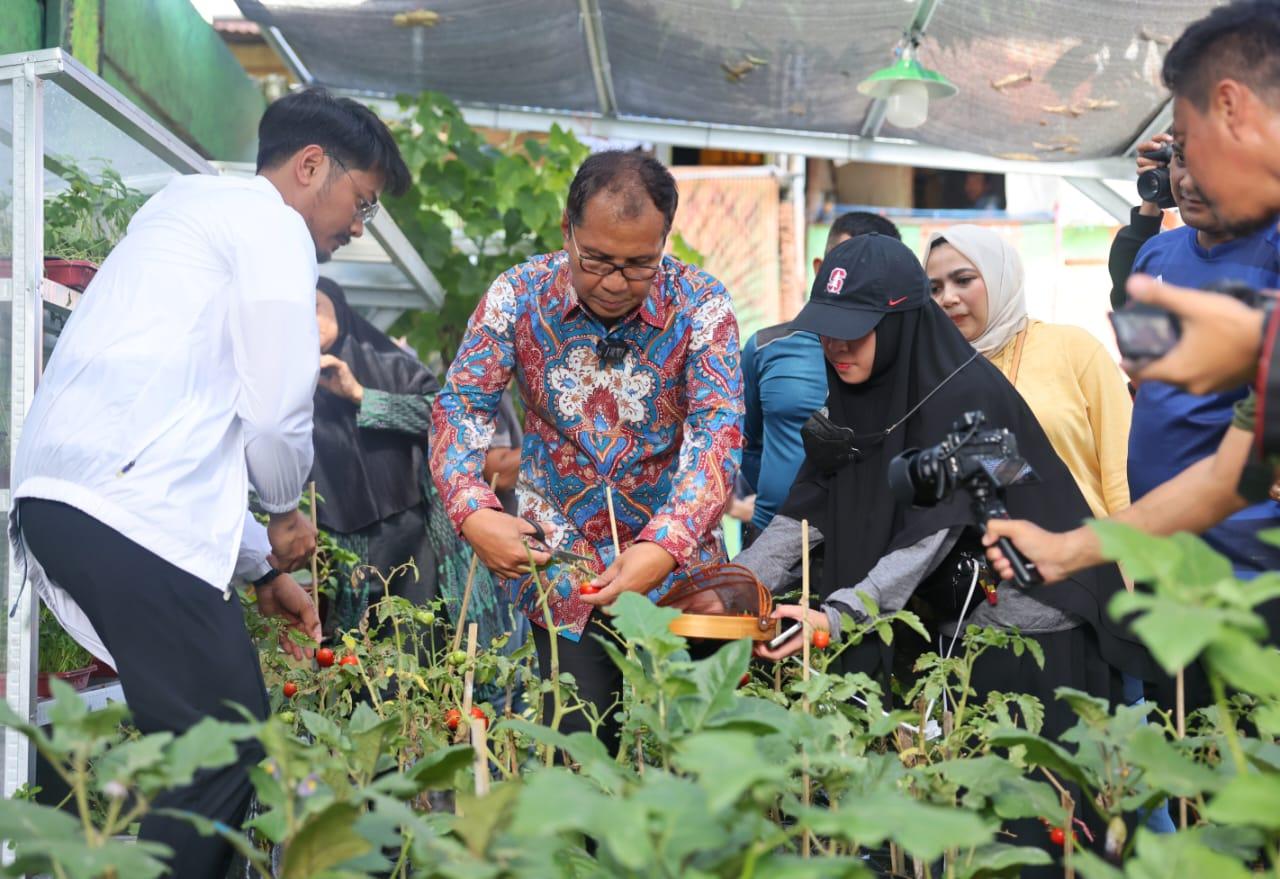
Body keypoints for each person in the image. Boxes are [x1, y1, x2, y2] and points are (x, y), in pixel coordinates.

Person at [10, 87, 409, 879]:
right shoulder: (271, 226)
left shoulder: (187, 210)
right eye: (362, 202)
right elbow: (276, 405)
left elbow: (180, 438)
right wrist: (287, 512)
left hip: (74, 502)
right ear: (310, 166)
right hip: (120, 511)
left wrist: (259, 564)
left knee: (213, 740)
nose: (358, 227)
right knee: (224, 745)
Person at [734, 235, 1156, 863]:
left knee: (1029, 827)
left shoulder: (969, 398)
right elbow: (808, 509)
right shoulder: (859, 395)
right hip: (951, 628)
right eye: (827, 331)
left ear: (899, 323)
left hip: (1031, 632)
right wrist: (730, 589)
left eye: (854, 331)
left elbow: (932, 534)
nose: (836, 347)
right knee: (956, 828)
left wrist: (837, 617)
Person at [430, 151, 743, 750]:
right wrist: (473, 511)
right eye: (595, 260)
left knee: (691, 765)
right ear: (566, 231)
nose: (615, 283)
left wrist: (665, 544)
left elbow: (718, 432)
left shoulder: (702, 305)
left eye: (639, 265)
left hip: (679, 578)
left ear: (664, 242)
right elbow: (461, 408)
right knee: (577, 762)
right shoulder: (516, 296)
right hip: (559, 572)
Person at [985, 0, 1280, 580]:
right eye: (1180, 152)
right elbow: (1227, 476)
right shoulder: (1161, 257)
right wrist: (1069, 550)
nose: (1190, 174)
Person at [926, 225, 1132, 518]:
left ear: (999, 276)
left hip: (1088, 540)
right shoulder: (934, 376)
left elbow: (1123, 469)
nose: (947, 298)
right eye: (934, 288)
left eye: (963, 280)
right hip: (993, 544)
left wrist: (1131, 545)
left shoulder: (1072, 349)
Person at [741, 212, 901, 538]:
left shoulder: (900, 356)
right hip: (771, 534)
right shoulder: (765, 347)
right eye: (845, 270)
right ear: (820, 270)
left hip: (860, 539)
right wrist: (783, 500)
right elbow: (747, 444)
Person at [311, 276, 440, 632]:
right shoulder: (282, 379)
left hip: (413, 532)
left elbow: (445, 419)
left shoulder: (391, 363)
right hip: (337, 539)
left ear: (340, 310)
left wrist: (361, 396)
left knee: (415, 635)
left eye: (315, 308)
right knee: (354, 644)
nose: (306, 320)